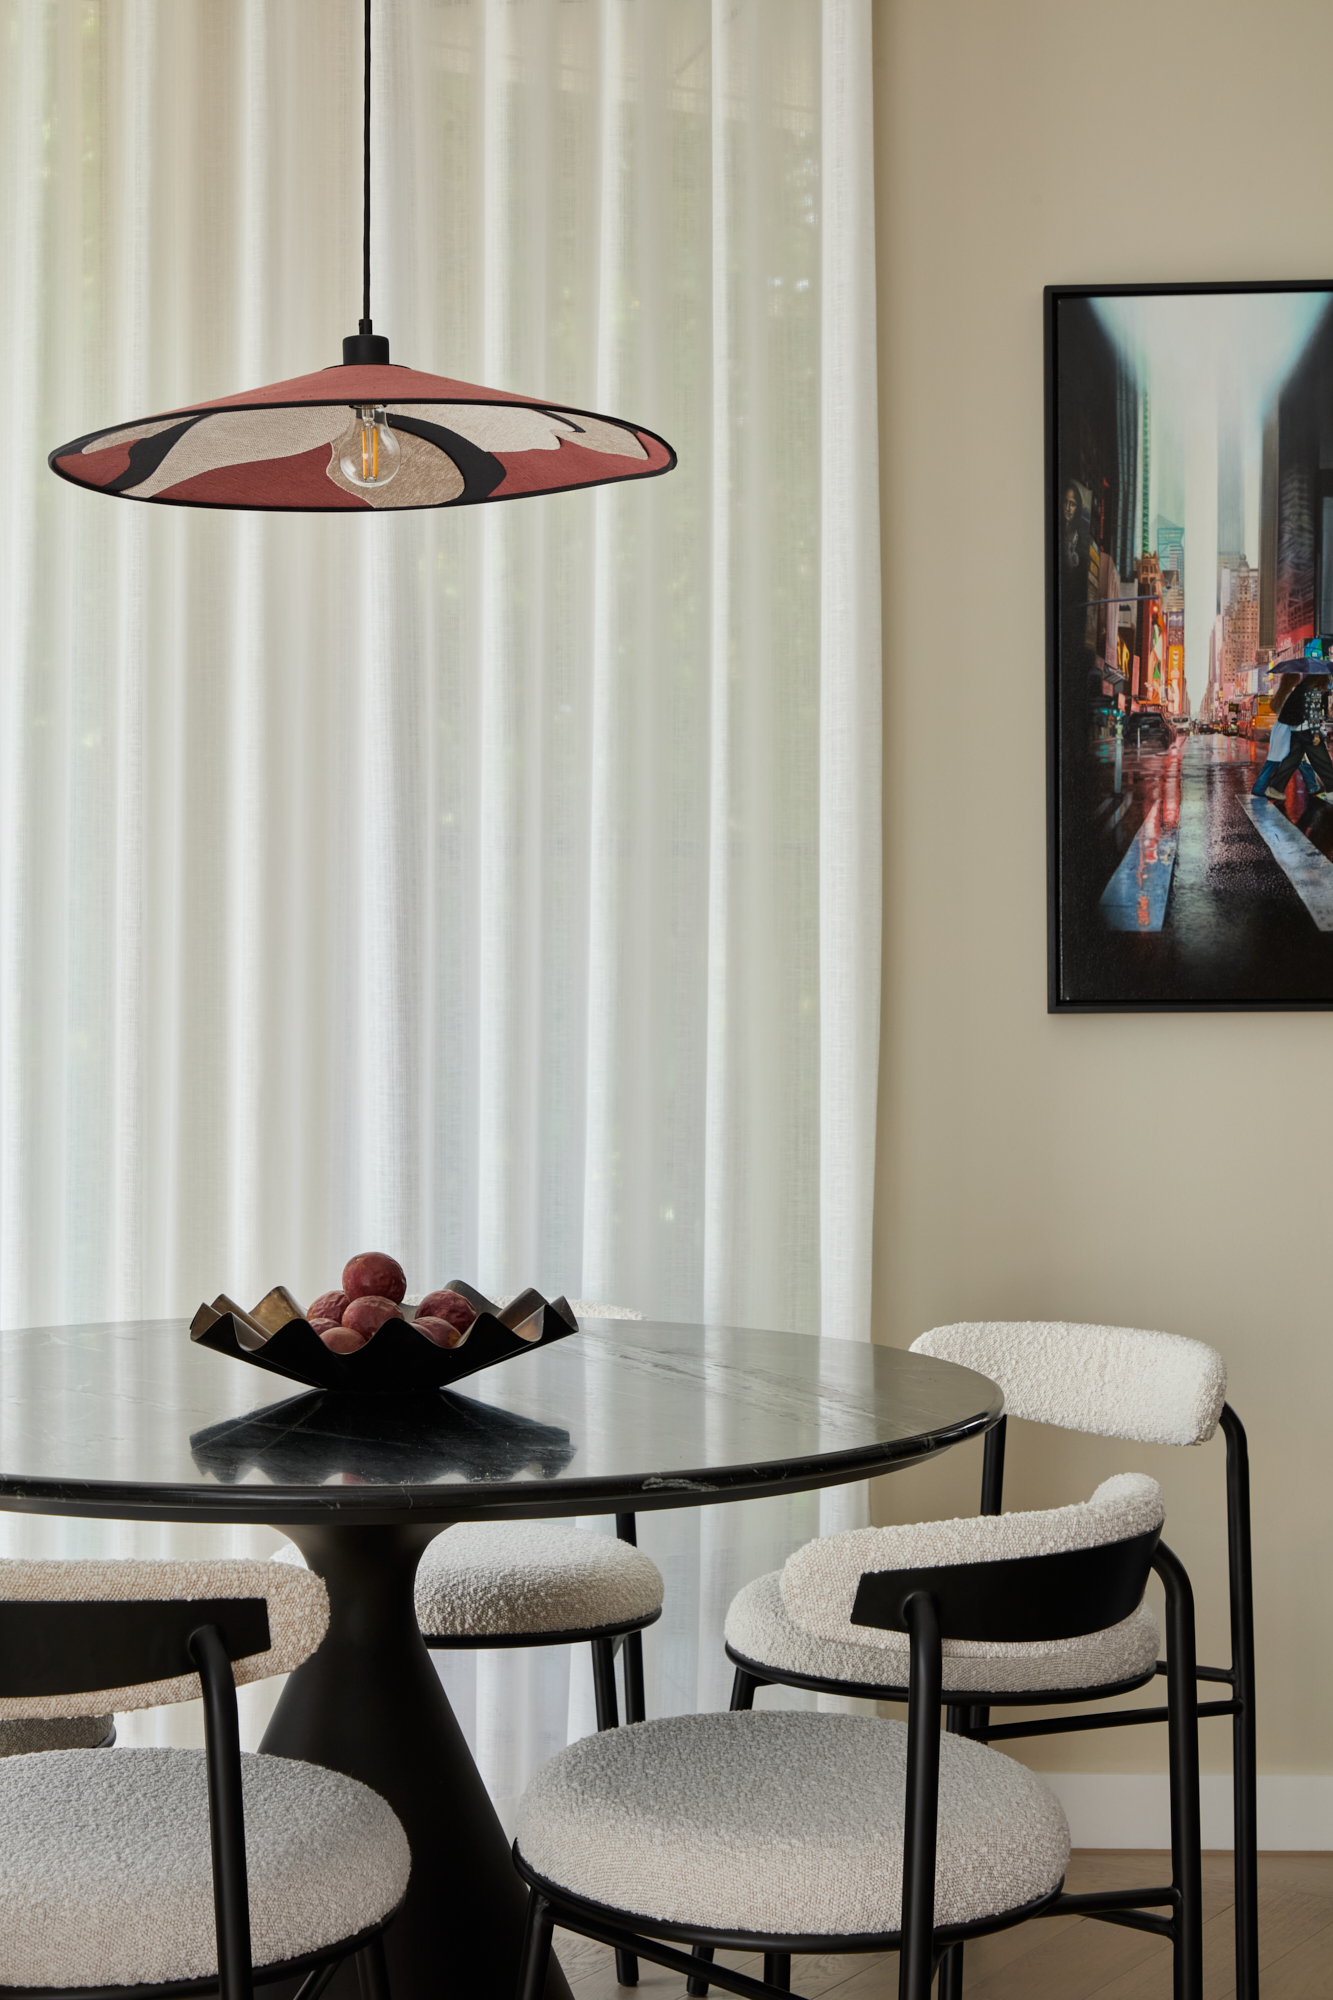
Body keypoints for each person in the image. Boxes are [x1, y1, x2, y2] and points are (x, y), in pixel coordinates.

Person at [1264, 665, 1333, 802]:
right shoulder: (1313, 690)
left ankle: (1274, 788)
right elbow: (1312, 715)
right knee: (1322, 760)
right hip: (1307, 730)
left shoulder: (1301, 688)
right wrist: (1316, 735)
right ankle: (1332, 790)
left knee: (1292, 760)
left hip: (1295, 730)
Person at [1251, 672, 1322, 797]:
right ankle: (1312, 786)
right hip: (1289, 731)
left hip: (1279, 730)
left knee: (1275, 761)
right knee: (1300, 759)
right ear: (1293, 681)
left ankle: (1259, 787)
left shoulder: (1279, 696)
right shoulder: (1291, 697)